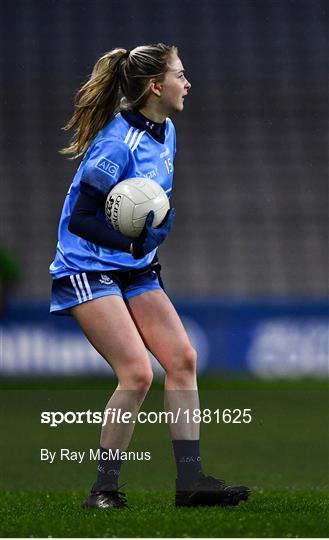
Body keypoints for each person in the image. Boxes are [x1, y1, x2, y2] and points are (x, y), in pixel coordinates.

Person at [49, 43, 250, 509]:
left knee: (182, 358)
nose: (188, 83)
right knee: (137, 373)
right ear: (156, 86)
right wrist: (137, 241)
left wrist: (148, 238)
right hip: (86, 268)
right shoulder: (118, 143)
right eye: (181, 75)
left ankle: (191, 483)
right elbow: (80, 218)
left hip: (134, 269)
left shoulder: (168, 130)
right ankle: (103, 489)